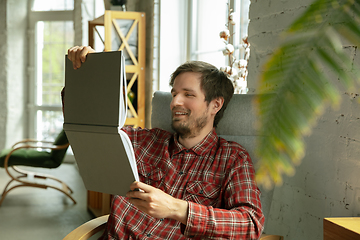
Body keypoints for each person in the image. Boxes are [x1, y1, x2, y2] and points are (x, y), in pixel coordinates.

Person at [66, 46, 264, 239]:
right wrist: (88, 74)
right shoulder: (145, 141)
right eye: (174, 94)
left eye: (188, 94)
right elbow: (93, 128)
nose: (175, 102)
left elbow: (251, 224)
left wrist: (176, 208)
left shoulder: (232, 158)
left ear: (215, 104)